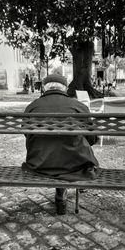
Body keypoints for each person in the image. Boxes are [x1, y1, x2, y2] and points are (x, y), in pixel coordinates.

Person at [22, 74, 100, 215]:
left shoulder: (32, 107)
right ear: (65, 88)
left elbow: (27, 134)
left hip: (40, 163)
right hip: (74, 165)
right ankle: (62, 190)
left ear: (44, 88)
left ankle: (60, 192)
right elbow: (92, 137)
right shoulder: (78, 106)